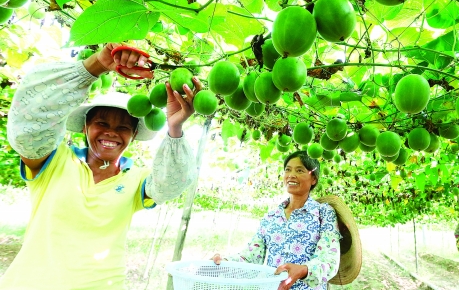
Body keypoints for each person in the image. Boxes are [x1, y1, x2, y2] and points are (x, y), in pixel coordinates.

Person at [1, 43, 201, 290]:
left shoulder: (137, 179)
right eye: (101, 123)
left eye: (122, 128)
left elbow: (173, 182)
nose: (111, 133)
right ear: (85, 128)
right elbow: (28, 122)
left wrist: (175, 128)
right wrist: (94, 66)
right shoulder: (54, 159)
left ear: (133, 135)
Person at [212, 150, 341, 290]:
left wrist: (304, 270)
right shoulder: (271, 217)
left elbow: (329, 258)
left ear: (314, 179)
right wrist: (225, 262)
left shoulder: (323, 213)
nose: (291, 175)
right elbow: (251, 256)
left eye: (300, 170)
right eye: (288, 170)